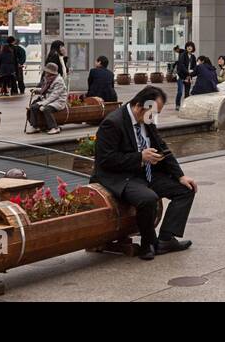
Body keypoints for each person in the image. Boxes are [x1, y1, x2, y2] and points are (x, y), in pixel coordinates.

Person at [91, 85, 197, 260]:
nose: (154, 117)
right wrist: (140, 157)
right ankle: (148, 243)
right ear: (139, 106)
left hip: (145, 173)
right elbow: (106, 160)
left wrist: (180, 175)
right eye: (153, 112)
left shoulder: (146, 120)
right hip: (120, 176)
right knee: (148, 198)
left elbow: (163, 148)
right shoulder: (113, 123)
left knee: (186, 190)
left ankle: (166, 239)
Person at [28, 62, 69, 134]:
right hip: (48, 100)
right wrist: (37, 90)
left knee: (46, 109)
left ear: (51, 72)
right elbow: (45, 90)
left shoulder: (59, 81)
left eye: (47, 71)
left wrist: (43, 104)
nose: (45, 72)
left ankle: (54, 127)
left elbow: (54, 95)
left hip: (58, 101)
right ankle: (35, 126)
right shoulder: (48, 79)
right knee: (33, 107)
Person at [174, 41, 195, 109]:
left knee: (187, 93)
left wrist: (191, 74)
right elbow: (181, 65)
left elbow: (194, 67)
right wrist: (188, 72)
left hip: (188, 76)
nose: (189, 47)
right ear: (186, 47)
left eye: (191, 46)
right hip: (181, 76)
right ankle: (177, 105)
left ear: (193, 48)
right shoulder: (183, 54)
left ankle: (186, 106)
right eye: (188, 46)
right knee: (180, 91)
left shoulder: (193, 57)